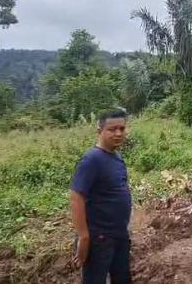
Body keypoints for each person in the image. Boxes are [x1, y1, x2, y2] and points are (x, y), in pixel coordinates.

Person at [70, 109, 132, 284]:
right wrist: (84, 237)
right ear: (100, 131)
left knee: (122, 278)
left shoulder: (117, 158)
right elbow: (76, 197)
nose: (118, 133)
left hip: (119, 235)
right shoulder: (91, 160)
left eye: (122, 128)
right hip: (100, 238)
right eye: (112, 129)